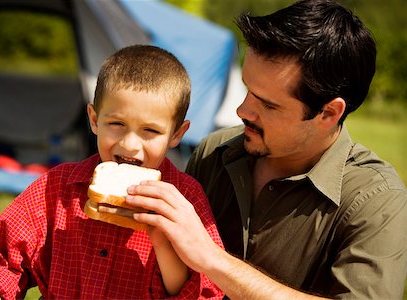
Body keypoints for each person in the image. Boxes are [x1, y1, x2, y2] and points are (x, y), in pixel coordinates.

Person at [122, 1, 407, 299]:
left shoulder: (376, 201)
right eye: (247, 89)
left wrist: (214, 259)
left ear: (328, 113)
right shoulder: (212, 153)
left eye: (268, 105)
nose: (241, 110)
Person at [0, 45, 224, 299]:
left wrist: (161, 238)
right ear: (93, 119)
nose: (129, 144)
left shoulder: (186, 199)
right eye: (117, 124)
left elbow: (198, 291)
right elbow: (6, 268)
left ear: (177, 134)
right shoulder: (57, 187)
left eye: (150, 131)